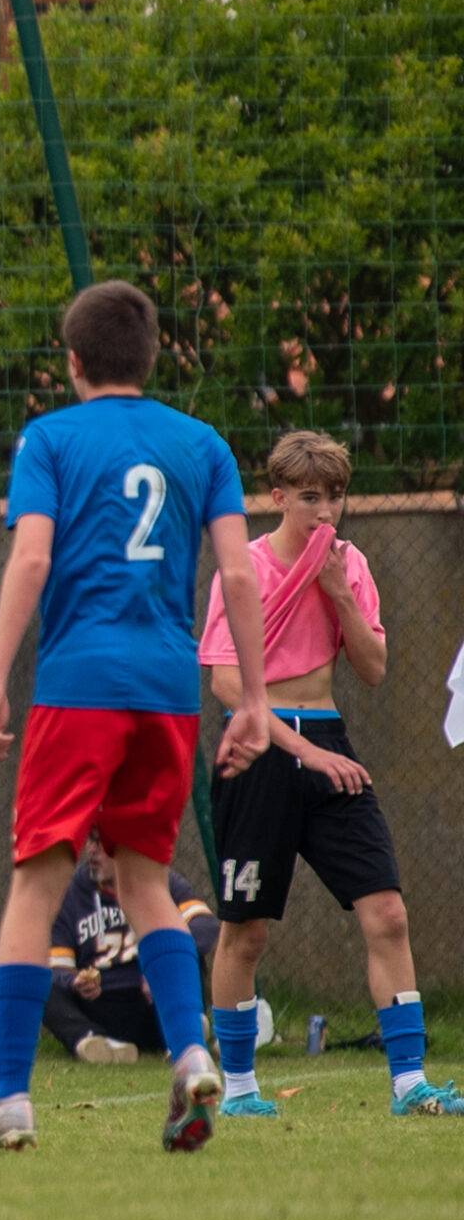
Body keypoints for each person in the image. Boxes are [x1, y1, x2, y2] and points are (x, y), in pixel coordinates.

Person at [0, 279, 272, 1158]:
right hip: (168, 689)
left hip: (79, 683)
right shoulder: (202, 443)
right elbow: (237, 574)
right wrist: (253, 698)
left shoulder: (50, 439)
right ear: (152, 357)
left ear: (73, 361)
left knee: (37, 883)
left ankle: (11, 1097)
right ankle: (193, 1054)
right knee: (146, 881)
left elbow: (32, 558)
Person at [197, 430, 459, 1118]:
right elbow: (226, 684)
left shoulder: (352, 565)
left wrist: (338, 590)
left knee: (388, 913)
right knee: (245, 929)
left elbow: (372, 669)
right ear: (278, 497)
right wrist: (304, 752)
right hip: (259, 750)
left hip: (330, 742)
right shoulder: (243, 570)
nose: (324, 512)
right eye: (310, 497)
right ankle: (240, 1090)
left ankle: (410, 1084)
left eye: (335, 497)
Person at [46, 835, 217, 1063]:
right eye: (90, 841)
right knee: (38, 980)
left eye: (100, 842)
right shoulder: (71, 893)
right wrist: (75, 981)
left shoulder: (160, 880)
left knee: (188, 954)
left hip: (156, 1002)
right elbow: (57, 967)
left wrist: (162, 963)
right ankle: (92, 1041)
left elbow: (204, 924)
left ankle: (183, 1030)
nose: (92, 850)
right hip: (102, 1006)